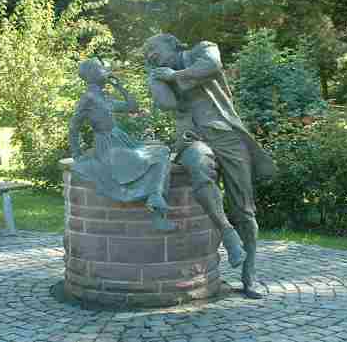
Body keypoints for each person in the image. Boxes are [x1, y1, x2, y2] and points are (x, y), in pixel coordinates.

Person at [144, 34, 276, 299]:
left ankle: (249, 274)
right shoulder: (161, 74)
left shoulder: (202, 50)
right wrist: (154, 79)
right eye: (147, 54)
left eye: (153, 48)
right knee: (199, 168)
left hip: (228, 137)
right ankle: (227, 232)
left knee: (245, 210)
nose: (150, 54)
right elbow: (168, 104)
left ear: (173, 44)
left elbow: (212, 66)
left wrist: (174, 75)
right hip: (192, 138)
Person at [68, 58, 176, 231]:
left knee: (162, 151)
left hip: (121, 141)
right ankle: (156, 205)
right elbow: (74, 126)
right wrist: (76, 154)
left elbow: (132, 107)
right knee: (156, 156)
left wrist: (120, 87)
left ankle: (155, 196)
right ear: (91, 74)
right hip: (109, 146)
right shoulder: (88, 98)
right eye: (101, 68)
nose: (106, 70)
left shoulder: (103, 97)